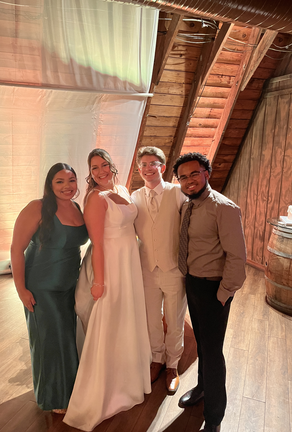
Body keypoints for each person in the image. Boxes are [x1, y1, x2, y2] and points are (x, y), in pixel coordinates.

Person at [64, 148, 152, 431]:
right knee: (109, 320)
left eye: (104, 165)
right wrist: (99, 281)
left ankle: (127, 376)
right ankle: (104, 388)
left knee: (126, 318)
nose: (100, 171)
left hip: (128, 261)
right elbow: (98, 244)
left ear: (112, 166)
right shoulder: (95, 198)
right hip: (110, 263)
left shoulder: (122, 189)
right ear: (90, 173)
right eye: (94, 168)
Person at [173, 152, 247, 432]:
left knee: (213, 352)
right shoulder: (188, 205)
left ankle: (214, 418)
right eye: (183, 177)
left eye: (194, 173)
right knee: (202, 344)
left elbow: (237, 257)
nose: (189, 181)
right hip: (192, 282)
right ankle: (202, 388)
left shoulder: (224, 208)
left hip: (215, 288)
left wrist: (224, 294)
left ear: (207, 173)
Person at [9, 163, 89, 414]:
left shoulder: (77, 207)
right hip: (41, 287)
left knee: (65, 338)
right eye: (60, 181)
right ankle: (53, 398)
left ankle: (69, 390)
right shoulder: (37, 207)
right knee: (48, 342)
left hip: (69, 286)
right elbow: (16, 250)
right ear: (50, 184)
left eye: (71, 180)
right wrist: (21, 289)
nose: (67, 186)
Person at [129, 146, 187, 395]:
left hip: (174, 269)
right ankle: (156, 359)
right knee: (151, 318)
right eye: (143, 164)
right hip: (147, 269)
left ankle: (172, 365)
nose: (147, 168)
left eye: (152, 163)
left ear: (162, 167)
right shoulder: (134, 196)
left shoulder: (178, 192)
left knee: (174, 320)